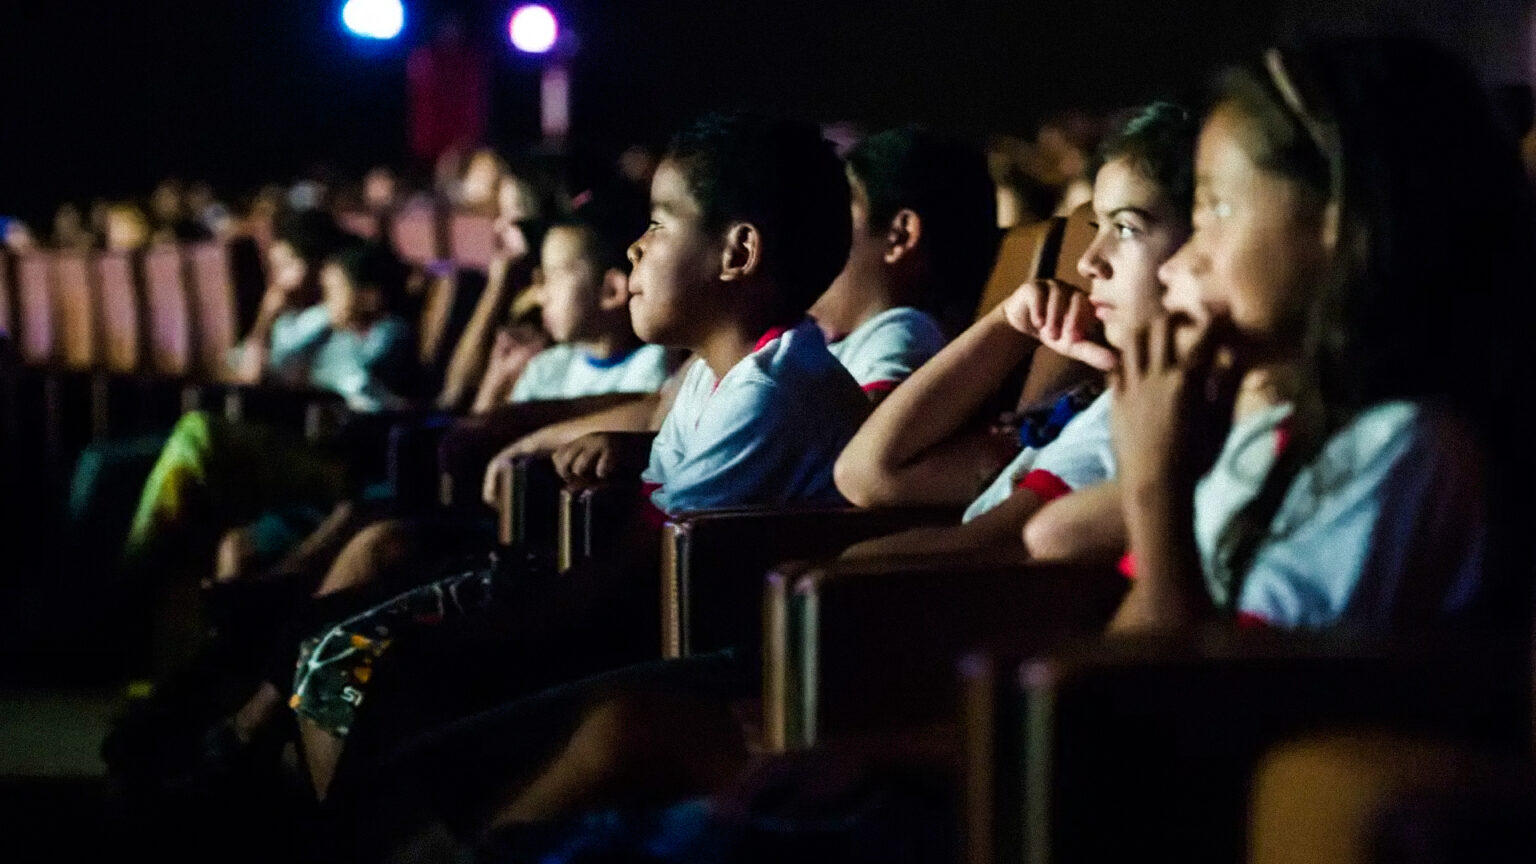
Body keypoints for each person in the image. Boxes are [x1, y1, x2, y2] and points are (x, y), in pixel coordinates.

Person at [1109, 38, 1535, 631]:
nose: (1178, 262)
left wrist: (1154, 488)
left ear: (1342, 223)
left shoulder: (1405, 447)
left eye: (1217, 209)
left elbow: (1190, 697)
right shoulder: (1274, 428)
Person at [834, 103, 1197, 566]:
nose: (1088, 263)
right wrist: (1008, 323)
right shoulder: (1094, 403)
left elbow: (995, 543)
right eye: (1098, 228)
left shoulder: (1133, 418)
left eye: (1124, 228)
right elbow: (865, 473)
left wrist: (835, 572)